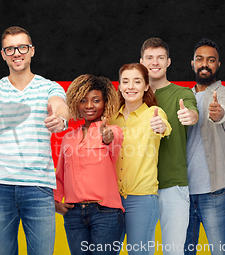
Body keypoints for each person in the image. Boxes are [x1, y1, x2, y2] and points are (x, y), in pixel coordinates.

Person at [0, 26, 70, 255]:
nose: (17, 53)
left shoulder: (49, 87)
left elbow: (59, 105)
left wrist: (60, 119)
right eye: (10, 49)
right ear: (3, 54)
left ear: (32, 51)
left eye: (22, 47)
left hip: (38, 187)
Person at [139, 38, 199, 255]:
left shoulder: (182, 94)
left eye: (160, 58)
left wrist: (189, 115)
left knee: (173, 251)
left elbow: (192, 113)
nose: (155, 63)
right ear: (141, 62)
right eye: (150, 58)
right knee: (139, 250)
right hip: (139, 187)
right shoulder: (132, 96)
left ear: (168, 62)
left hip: (173, 185)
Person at [54, 74, 124, 255]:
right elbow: (60, 175)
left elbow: (113, 141)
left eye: (96, 100)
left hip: (105, 213)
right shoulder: (68, 138)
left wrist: (107, 137)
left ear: (105, 102)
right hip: (74, 215)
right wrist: (55, 202)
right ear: (76, 102)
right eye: (83, 100)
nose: (89, 106)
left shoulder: (113, 131)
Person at [110, 63, 172, 255]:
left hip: (142, 199)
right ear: (119, 86)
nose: (131, 87)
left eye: (137, 81)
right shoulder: (111, 118)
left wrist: (160, 126)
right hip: (112, 199)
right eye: (125, 81)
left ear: (146, 86)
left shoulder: (154, 114)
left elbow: (164, 127)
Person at [184, 39, 225, 255]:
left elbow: (223, 109)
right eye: (200, 59)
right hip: (182, 194)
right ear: (192, 63)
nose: (205, 64)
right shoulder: (182, 97)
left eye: (211, 60)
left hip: (214, 192)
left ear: (218, 65)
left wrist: (218, 112)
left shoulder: (224, 94)